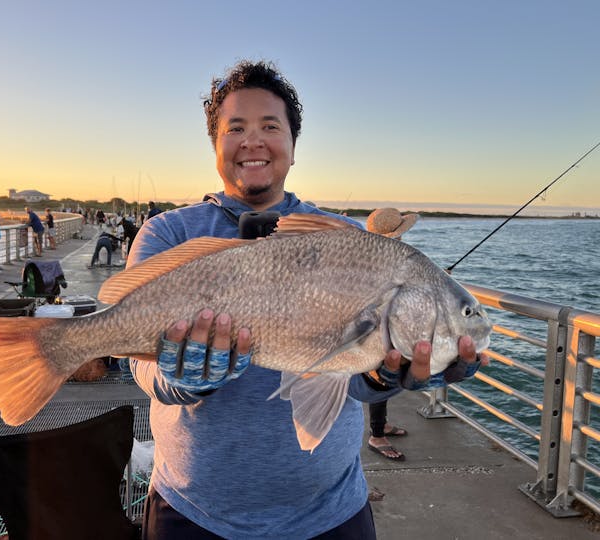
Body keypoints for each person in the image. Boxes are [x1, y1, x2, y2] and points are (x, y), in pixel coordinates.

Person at [128, 60, 486, 540]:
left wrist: (383, 376)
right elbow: (138, 363)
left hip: (331, 513)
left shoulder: (351, 239)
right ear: (216, 144)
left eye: (270, 127)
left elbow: (350, 385)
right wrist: (182, 379)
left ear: (293, 146)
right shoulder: (167, 233)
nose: (253, 140)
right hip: (192, 511)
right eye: (236, 128)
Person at [364, 207, 419, 461]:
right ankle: (377, 436)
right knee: (380, 377)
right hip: (377, 332)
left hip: (380, 328)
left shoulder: (372, 253)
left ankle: (382, 424)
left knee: (383, 377)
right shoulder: (386, 258)